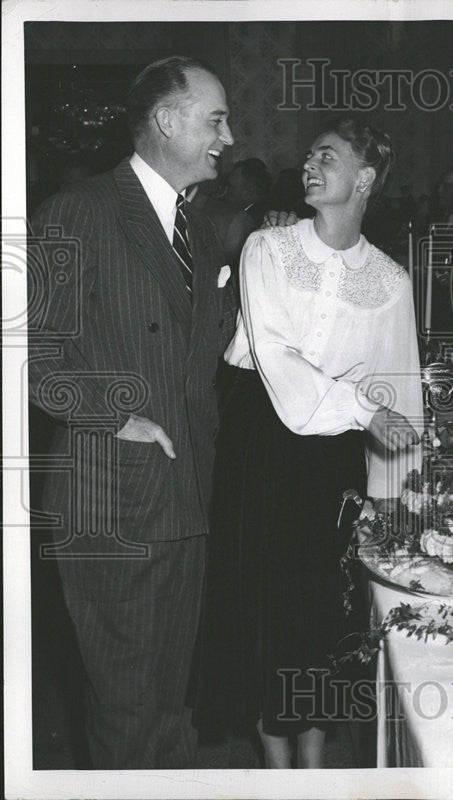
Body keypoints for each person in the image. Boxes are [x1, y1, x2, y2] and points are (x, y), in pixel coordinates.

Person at [192, 114, 422, 768]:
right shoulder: (267, 249)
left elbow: (398, 392)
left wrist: (398, 503)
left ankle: (315, 759)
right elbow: (278, 355)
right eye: (310, 157)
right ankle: (274, 762)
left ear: (366, 178)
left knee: (319, 607)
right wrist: (360, 406)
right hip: (260, 439)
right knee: (258, 599)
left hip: (335, 456)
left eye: (328, 156)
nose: (309, 167)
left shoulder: (390, 281)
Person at [27, 55, 236, 769]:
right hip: (112, 501)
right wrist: (119, 416)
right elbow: (31, 356)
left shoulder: (200, 232)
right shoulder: (76, 212)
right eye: (215, 120)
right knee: (125, 713)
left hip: (186, 500)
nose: (228, 137)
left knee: (172, 706)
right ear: (167, 120)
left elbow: (201, 356)